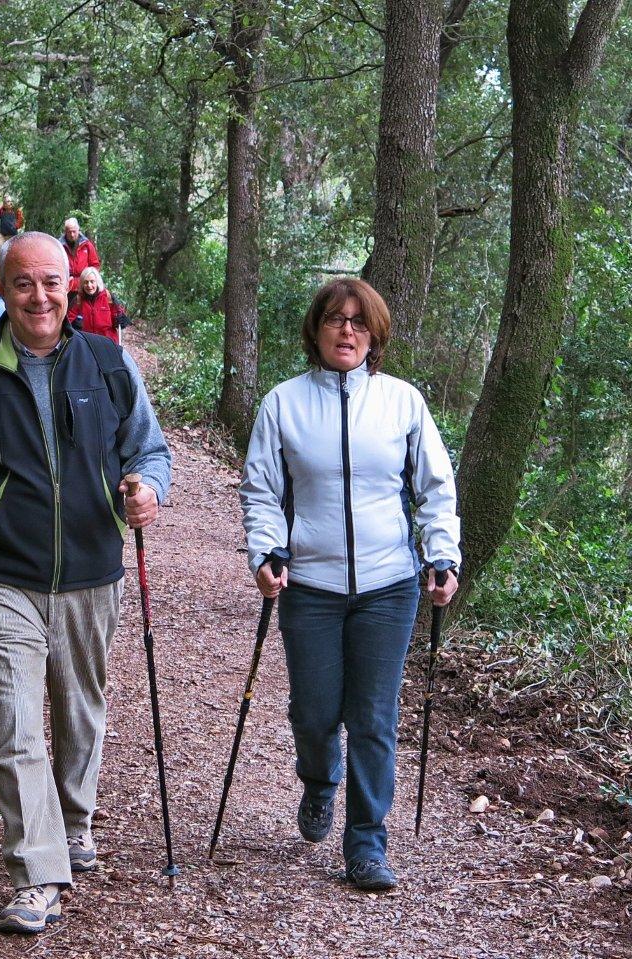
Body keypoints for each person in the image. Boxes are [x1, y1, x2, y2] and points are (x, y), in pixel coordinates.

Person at [0, 232, 172, 934]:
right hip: (1, 575)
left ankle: (75, 818)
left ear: (72, 287)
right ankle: (38, 872)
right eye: (23, 283)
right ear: (1, 290)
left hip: (92, 573)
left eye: (51, 282)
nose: (39, 297)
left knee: (80, 710)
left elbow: (151, 450)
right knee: (16, 723)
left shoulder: (109, 364)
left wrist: (148, 488)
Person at [239, 277, 461, 893]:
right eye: (335, 319)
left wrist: (442, 555)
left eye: (359, 322)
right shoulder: (283, 404)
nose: (347, 330)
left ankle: (366, 842)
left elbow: (435, 487)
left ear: (375, 335)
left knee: (373, 717)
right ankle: (319, 780)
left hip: (389, 584)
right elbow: (261, 490)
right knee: (314, 712)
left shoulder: (402, 402)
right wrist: (266, 550)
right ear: (315, 330)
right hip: (310, 583)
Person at [69, 267, 129, 344]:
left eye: (92, 281)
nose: (89, 285)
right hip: (87, 344)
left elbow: (119, 315)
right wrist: (73, 325)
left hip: (108, 343)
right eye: (86, 282)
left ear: (97, 282)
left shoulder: (107, 297)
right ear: (82, 284)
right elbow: (69, 320)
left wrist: (121, 320)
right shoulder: (78, 300)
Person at [61, 217, 100, 291]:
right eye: (69, 232)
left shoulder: (87, 245)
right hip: (66, 285)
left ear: (78, 230)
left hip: (85, 285)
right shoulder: (59, 246)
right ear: (65, 232)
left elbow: (95, 265)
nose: (72, 235)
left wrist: (89, 279)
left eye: (74, 231)